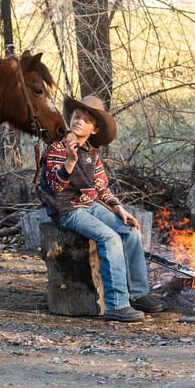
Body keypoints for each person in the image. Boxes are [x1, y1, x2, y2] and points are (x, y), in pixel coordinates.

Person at [39, 95, 166, 322]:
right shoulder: (57, 148)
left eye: (86, 120)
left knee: (129, 231)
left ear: (94, 129)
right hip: (67, 210)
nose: (79, 121)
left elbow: (101, 189)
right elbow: (56, 187)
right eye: (76, 116)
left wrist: (119, 209)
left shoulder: (92, 154)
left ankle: (138, 293)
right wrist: (69, 162)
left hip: (89, 206)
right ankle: (116, 303)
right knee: (109, 239)